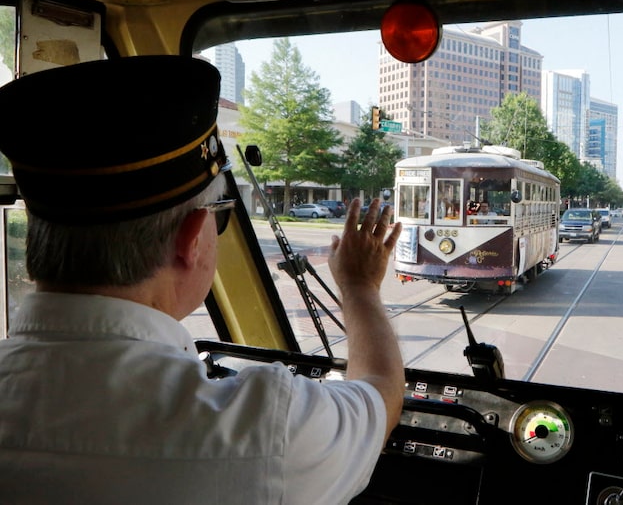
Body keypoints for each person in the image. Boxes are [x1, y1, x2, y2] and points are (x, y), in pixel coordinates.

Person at [0, 56, 404, 504]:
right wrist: (360, 286)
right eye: (222, 219)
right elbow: (381, 397)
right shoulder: (262, 430)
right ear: (191, 238)